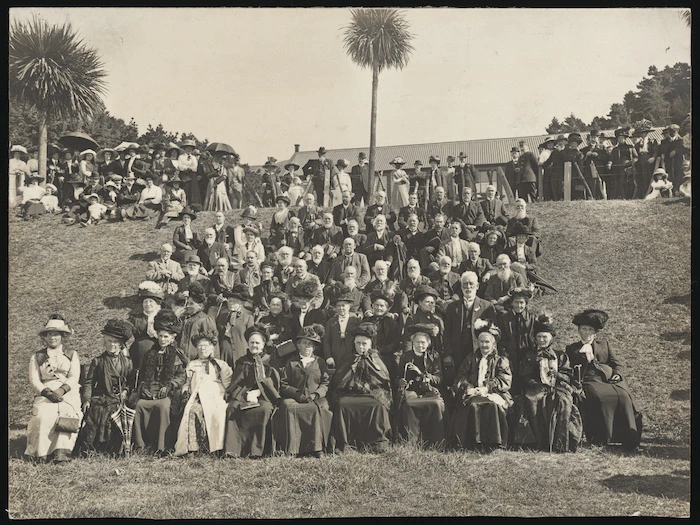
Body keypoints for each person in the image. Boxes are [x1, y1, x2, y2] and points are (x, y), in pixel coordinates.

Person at [566, 309, 642, 451]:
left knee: (624, 396)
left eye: (590, 329)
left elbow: (617, 363)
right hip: (588, 380)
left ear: (595, 332)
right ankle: (602, 438)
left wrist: (618, 374)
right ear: (578, 331)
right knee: (600, 397)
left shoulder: (604, 344)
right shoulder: (572, 348)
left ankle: (629, 439)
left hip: (609, 379)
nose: (586, 332)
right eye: (583, 329)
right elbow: (569, 369)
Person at [509, 315, 582, 452]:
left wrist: (557, 375)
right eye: (539, 337)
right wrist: (537, 384)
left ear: (551, 338)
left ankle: (560, 443)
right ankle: (538, 442)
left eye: (545, 337)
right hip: (536, 387)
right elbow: (525, 375)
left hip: (557, 386)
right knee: (532, 400)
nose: (542, 340)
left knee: (564, 401)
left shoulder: (560, 355)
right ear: (535, 339)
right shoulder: (529, 355)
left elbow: (567, 375)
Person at [25, 315, 83, 462]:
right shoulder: (37, 356)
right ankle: (42, 453)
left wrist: (61, 390)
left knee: (66, 413)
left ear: (62, 336)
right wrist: (46, 393)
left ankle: (62, 453)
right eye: (50, 334)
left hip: (68, 392)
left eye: (56, 334)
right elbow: (34, 379)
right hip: (45, 392)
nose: (53, 337)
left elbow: (74, 376)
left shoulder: (71, 354)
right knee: (43, 416)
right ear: (45, 336)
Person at [330, 322, 393, 453]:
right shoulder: (348, 358)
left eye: (364, 344)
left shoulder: (375, 359)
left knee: (378, 406)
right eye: (358, 343)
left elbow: (383, 378)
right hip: (350, 393)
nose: (361, 347)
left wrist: (368, 385)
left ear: (370, 345)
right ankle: (346, 443)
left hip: (371, 393)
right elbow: (339, 379)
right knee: (342, 405)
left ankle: (376, 443)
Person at [131, 309, 188, 453]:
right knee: (139, 405)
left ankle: (162, 446)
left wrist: (169, 386)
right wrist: (143, 386)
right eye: (160, 336)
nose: (163, 339)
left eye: (166, 336)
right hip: (152, 388)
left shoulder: (177, 354)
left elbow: (181, 376)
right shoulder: (151, 353)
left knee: (163, 406)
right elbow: (143, 375)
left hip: (169, 392)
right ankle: (141, 445)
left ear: (173, 337)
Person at [76, 319, 135, 456]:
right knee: (97, 412)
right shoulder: (98, 361)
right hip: (101, 395)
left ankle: (113, 450)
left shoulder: (127, 362)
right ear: (105, 342)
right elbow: (89, 382)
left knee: (115, 412)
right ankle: (95, 449)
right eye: (109, 341)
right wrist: (86, 399)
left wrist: (125, 391)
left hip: (119, 397)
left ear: (121, 345)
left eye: (115, 342)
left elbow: (132, 382)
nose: (112, 345)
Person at [272, 324, 333, 457]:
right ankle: (293, 448)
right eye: (304, 343)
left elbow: (325, 382)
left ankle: (317, 448)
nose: (307, 347)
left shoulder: (320, 362)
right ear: (298, 345)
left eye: (310, 344)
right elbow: (284, 384)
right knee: (288, 407)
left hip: (316, 397)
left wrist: (316, 394)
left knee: (319, 409)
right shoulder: (291, 362)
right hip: (295, 397)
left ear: (314, 347)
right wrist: (297, 395)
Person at [451, 322, 512, 450]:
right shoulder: (470, 358)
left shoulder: (501, 360)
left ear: (493, 343)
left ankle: (494, 442)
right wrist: (468, 388)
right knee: (473, 405)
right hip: (473, 392)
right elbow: (460, 377)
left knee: (492, 405)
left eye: (487, 342)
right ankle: (474, 442)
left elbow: (504, 380)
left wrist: (486, 388)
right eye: (481, 342)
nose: (484, 345)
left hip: (494, 393)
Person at [224, 325, 282, 458]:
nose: (254, 345)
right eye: (252, 342)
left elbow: (273, 383)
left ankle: (257, 451)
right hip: (243, 394)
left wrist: (258, 393)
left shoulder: (270, 360)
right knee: (233, 408)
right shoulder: (242, 361)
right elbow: (236, 383)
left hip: (264, 395)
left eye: (257, 343)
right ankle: (234, 450)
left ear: (263, 345)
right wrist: (244, 394)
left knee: (265, 409)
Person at [174, 333, 232, 456]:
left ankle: (216, 448)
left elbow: (228, 384)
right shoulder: (192, 365)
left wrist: (227, 396)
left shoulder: (221, 365)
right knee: (192, 410)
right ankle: (193, 448)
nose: (202, 348)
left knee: (219, 413)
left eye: (206, 346)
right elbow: (187, 383)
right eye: (200, 346)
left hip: (217, 396)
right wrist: (185, 390)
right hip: (197, 395)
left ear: (212, 348)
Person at [443, 272, 497, 386]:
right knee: (459, 382)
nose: (468, 287)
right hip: (458, 351)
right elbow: (446, 332)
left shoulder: (487, 306)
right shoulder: (452, 307)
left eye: (471, 284)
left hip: (478, 351)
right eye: (465, 284)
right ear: (461, 287)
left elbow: (494, 333)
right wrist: (448, 353)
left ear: (477, 286)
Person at [396, 324, 445, 446]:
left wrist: (421, 374)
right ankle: (412, 441)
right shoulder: (406, 356)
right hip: (411, 391)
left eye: (423, 342)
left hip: (429, 390)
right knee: (408, 405)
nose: (420, 345)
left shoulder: (434, 356)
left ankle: (435, 441)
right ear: (413, 343)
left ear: (428, 343)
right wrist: (401, 381)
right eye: (417, 342)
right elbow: (399, 376)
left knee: (436, 404)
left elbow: (438, 379)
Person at [498, 288, 536, 396]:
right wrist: (505, 355)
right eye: (516, 302)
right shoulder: (505, 318)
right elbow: (502, 339)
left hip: (527, 356)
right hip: (511, 355)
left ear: (526, 304)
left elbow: (534, 339)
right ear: (512, 303)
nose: (519, 306)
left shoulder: (532, 318)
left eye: (521, 303)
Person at [322, 284, 362, 372]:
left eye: (343, 305)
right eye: (338, 306)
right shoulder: (331, 322)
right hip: (336, 355)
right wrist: (328, 356)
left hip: (351, 354)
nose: (341, 308)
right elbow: (326, 341)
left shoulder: (356, 320)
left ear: (349, 306)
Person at [176, 282, 220, 361]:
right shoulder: (184, 318)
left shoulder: (205, 320)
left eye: (191, 304)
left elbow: (211, 344)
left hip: (198, 361)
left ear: (200, 306)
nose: (188, 306)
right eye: (187, 303)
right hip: (181, 360)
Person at [127, 281, 165, 371]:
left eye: (151, 301)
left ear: (157, 304)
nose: (148, 304)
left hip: (158, 349)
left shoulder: (163, 317)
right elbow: (125, 332)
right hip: (139, 351)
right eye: (145, 302)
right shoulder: (135, 318)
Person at [177, 139, 201, 206]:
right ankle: (184, 204)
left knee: (193, 190)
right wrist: (186, 168)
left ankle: (193, 205)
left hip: (192, 175)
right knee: (185, 189)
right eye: (187, 148)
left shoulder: (193, 158)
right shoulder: (181, 157)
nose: (189, 150)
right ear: (185, 148)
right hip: (184, 174)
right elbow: (180, 166)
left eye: (190, 148)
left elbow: (195, 167)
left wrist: (190, 168)